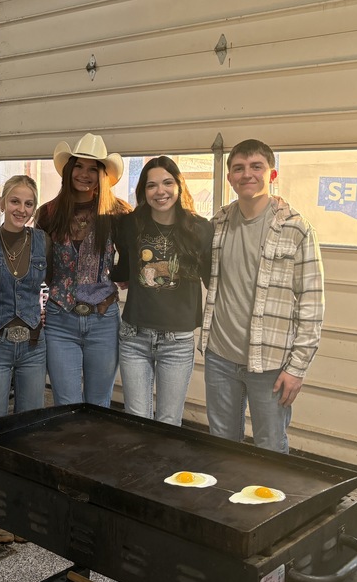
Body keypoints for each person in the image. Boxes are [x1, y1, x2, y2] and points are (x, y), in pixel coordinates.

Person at [200, 139, 324, 453]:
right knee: (222, 445)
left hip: (270, 363)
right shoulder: (218, 225)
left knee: (270, 447)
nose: (247, 174)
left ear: (272, 174)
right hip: (220, 358)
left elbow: (312, 303)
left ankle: (269, 505)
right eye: (239, 168)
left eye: (256, 166)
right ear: (229, 177)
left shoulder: (296, 229)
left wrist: (297, 368)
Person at [0, 175, 50, 546]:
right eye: (15, 201)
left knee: (31, 430)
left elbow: (47, 287)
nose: (21, 209)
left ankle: (26, 510)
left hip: (34, 345)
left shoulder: (42, 241)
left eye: (28, 204)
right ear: (1, 203)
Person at [113, 156, 213, 426]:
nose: (160, 191)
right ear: (143, 191)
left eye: (167, 183)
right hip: (134, 337)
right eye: (151, 185)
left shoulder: (200, 229)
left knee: (169, 423)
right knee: (137, 419)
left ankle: (165, 470)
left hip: (177, 342)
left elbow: (212, 281)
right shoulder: (130, 225)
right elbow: (122, 268)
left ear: (179, 186)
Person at [36, 133, 132, 407]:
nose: (85, 174)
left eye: (93, 168)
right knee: (65, 402)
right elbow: (38, 265)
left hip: (103, 318)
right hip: (59, 318)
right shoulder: (48, 213)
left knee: (99, 403)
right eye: (79, 166)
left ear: (103, 174)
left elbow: (135, 255)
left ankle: (95, 451)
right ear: (69, 170)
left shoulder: (118, 213)